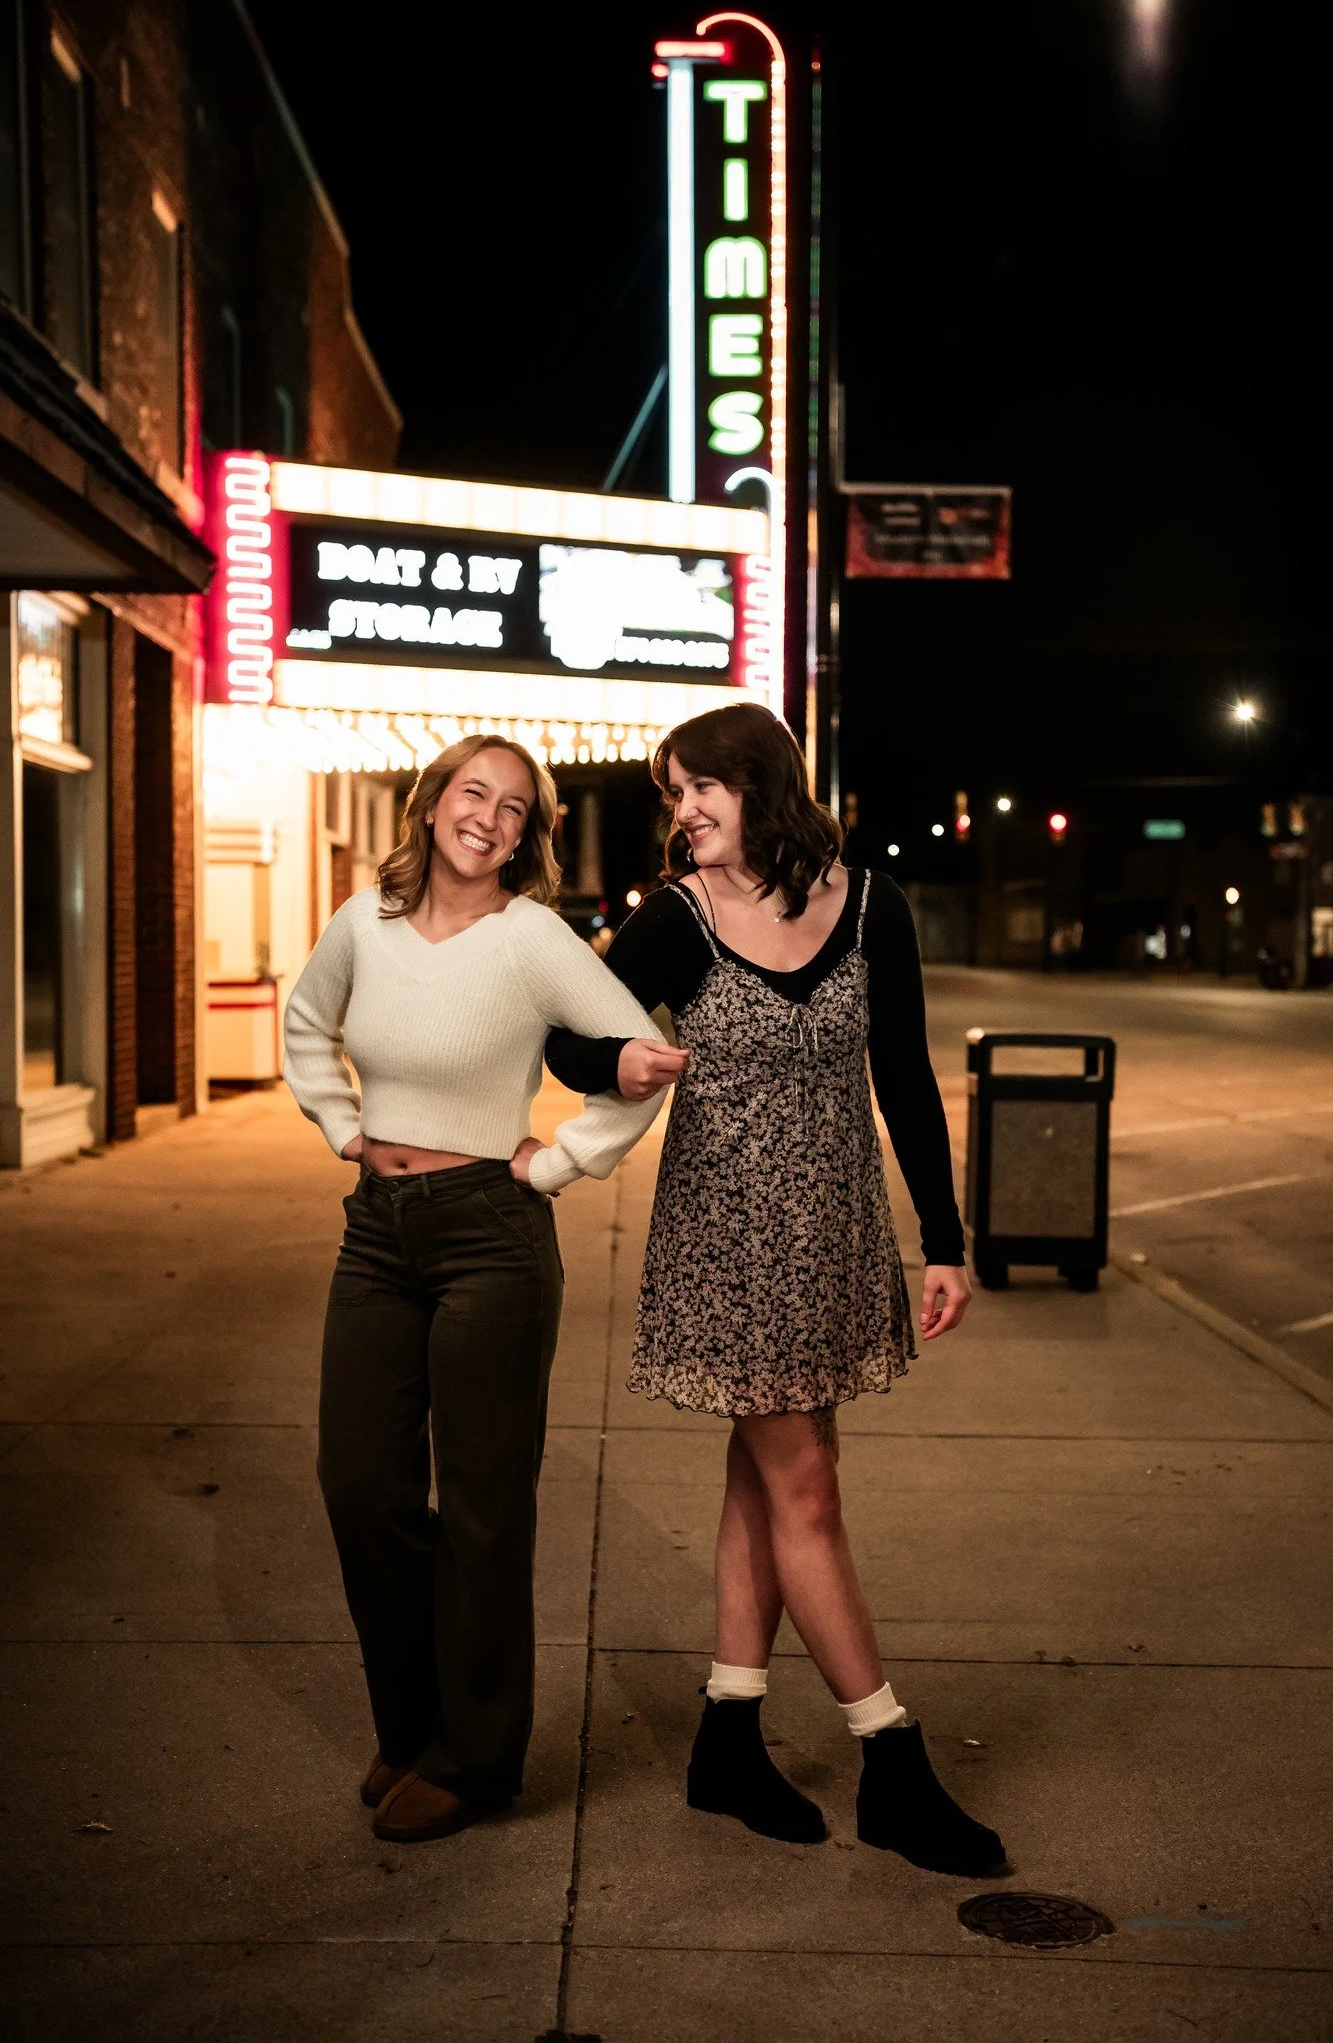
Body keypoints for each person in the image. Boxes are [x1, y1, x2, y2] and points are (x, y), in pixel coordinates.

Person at [545, 703, 1005, 1876]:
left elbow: (902, 1075)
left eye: (700, 786)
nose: (683, 811)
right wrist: (619, 1057)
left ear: (763, 786)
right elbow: (568, 1033)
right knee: (806, 1495)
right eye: (671, 793)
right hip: (728, 1240)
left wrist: (942, 1240)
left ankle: (726, 1736)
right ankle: (890, 1761)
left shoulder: (869, 904)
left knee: (775, 1479)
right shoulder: (677, 923)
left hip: (837, 1238)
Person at [283, 735, 680, 1845]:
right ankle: (412, 1724)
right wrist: (341, 1122)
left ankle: (476, 1757)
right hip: (378, 1231)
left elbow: (642, 1055)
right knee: (359, 1482)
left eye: (516, 810)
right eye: (476, 793)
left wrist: (558, 1160)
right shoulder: (365, 918)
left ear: (527, 836)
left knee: (481, 1508)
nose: (492, 819)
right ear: (432, 801)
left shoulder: (534, 938)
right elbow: (307, 1022)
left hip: (489, 1239)